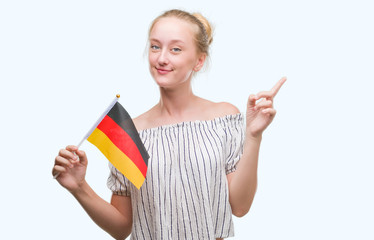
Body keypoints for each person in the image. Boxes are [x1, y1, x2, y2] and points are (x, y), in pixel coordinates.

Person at [52, 9, 286, 240]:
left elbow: (240, 207)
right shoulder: (131, 133)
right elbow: (121, 228)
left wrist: (254, 136)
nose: (161, 58)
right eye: (155, 46)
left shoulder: (223, 119)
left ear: (199, 61)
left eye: (175, 49)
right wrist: (79, 187)